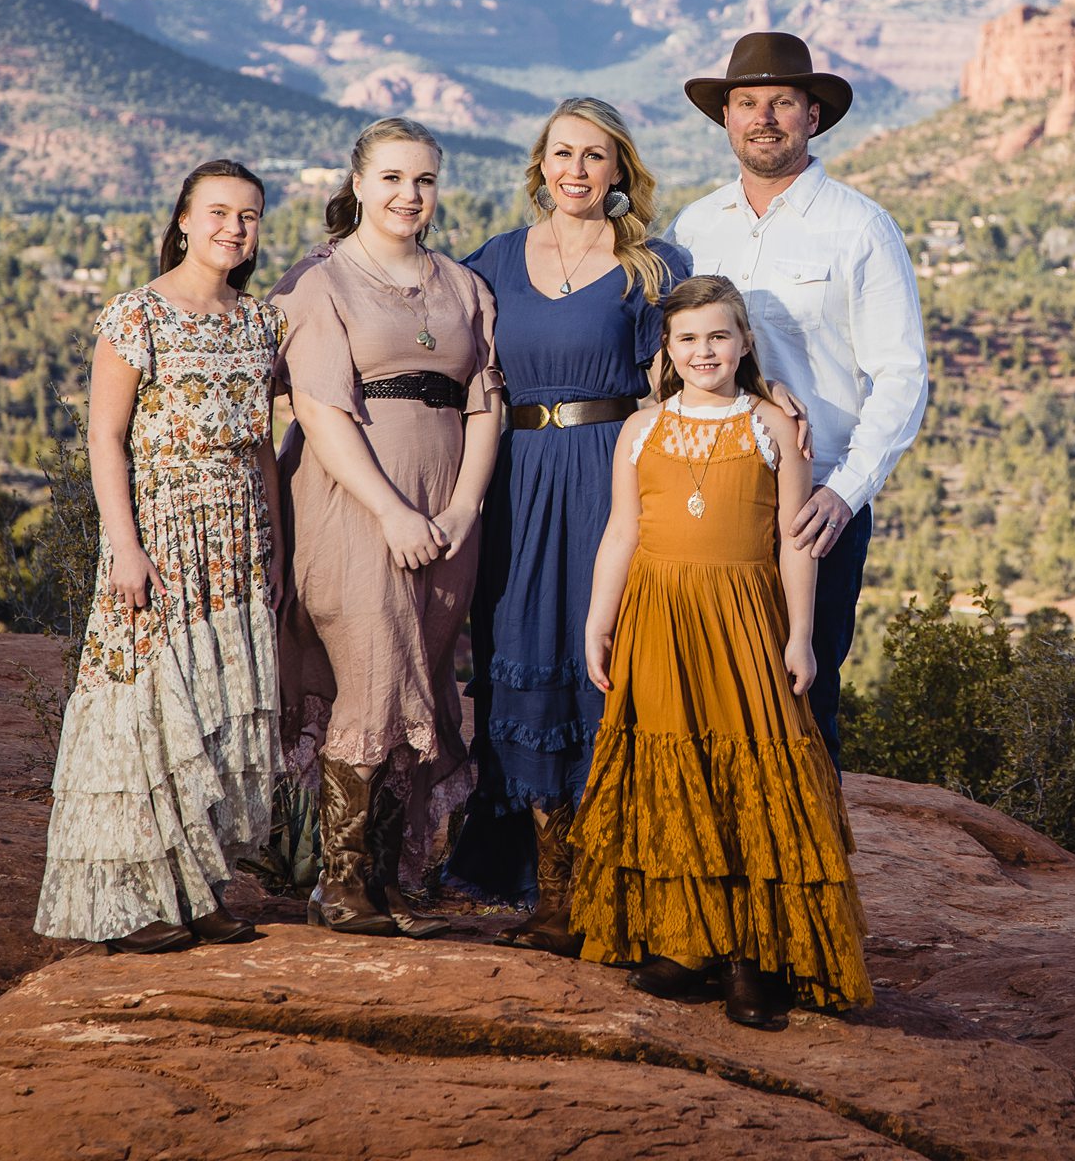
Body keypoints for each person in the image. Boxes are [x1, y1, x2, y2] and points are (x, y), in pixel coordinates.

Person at [571, 275, 870, 1028]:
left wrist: (799, 636)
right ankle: (691, 940)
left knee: (751, 768)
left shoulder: (772, 426)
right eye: (688, 339)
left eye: (718, 336)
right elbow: (622, 531)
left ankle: (757, 959)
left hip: (743, 619)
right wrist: (597, 622)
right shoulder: (641, 430)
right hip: (659, 618)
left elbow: (794, 544)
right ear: (667, 351)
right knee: (679, 772)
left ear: (742, 343)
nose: (704, 351)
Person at [448, 96, 688, 953]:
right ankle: (551, 892)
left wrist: (771, 406)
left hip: (611, 477)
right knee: (526, 664)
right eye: (562, 154)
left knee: (610, 665)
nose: (576, 170)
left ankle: (618, 885)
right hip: (515, 481)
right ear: (540, 167)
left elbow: (681, 381)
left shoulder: (655, 267)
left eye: (594, 156)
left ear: (620, 169)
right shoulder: (493, 263)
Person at [34, 159, 283, 955]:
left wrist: (276, 545)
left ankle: (201, 889)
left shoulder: (261, 323)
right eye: (216, 212)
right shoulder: (136, 315)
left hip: (237, 542)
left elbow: (263, 449)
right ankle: (135, 902)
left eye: (247, 216)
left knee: (211, 712)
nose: (232, 229)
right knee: (146, 715)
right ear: (182, 219)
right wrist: (126, 550)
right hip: (161, 537)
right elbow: (104, 438)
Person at [270, 116, 502, 938]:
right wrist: (393, 511)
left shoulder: (464, 286)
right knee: (373, 672)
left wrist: (464, 509)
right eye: (394, 178)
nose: (410, 195)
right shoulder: (319, 282)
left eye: (425, 180)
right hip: (354, 503)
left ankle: (399, 875)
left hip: (447, 509)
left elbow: (486, 405)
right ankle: (341, 883)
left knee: (424, 677)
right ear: (359, 184)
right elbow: (324, 412)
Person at [669, 31, 928, 759]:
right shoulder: (694, 228)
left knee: (801, 697)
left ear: (813, 116)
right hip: (711, 498)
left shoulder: (859, 228)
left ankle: (809, 869)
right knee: (712, 690)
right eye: (747, 102)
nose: (764, 117)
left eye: (782, 102)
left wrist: (846, 493)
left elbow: (902, 375)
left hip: (814, 508)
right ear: (726, 118)